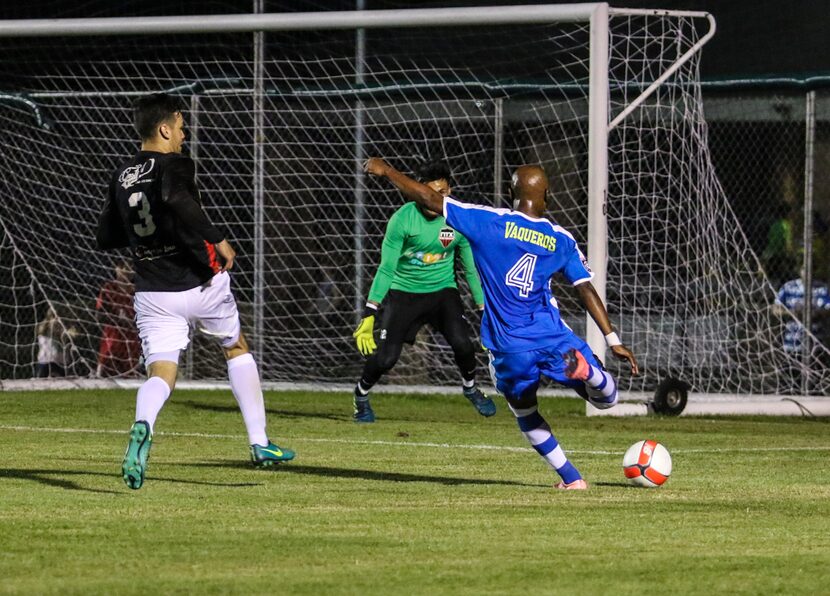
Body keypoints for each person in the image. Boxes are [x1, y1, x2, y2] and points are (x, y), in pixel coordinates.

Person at [363, 157, 639, 490]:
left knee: (526, 412)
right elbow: (585, 288)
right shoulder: (561, 238)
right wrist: (612, 340)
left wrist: (388, 170)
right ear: (547, 195)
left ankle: (572, 479)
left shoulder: (487, 222)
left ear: (511, 191)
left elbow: (430, 199)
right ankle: (590, 373)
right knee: (606, 400)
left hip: (509, 346)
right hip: (551, 335)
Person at [96, 93, 294, 490]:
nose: (185, 135)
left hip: (153, 292)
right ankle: (259, 443)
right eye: (182, 127)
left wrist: (144, 237)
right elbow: (175, 197)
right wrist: (218, 238)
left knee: (162, 373)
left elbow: (106, 235)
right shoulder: (176, 163)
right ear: (165, 128)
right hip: (201, 282)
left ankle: (143, 425)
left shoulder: (122, 174)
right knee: (236, 346)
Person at [351, 160, 495, 422]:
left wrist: (484, 310)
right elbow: (386, 268)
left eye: (442, 192)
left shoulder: (459, 220)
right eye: (430, 192)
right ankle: (361, 395)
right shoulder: (402, 220)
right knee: (386, 360)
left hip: (442, 292)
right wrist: (370, 311)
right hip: (403, 293)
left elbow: (471, 270)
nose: (435, 199)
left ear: (449, 191)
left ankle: (470, 389)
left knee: (463, 344)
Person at [95, 259, 140, 377]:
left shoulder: (139, 292)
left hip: (131, 345)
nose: (128, 271)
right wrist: (120, 320)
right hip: (112, 342)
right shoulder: (109, 288)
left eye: (131, 267)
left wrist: (132, 323)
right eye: (123, 267)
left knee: (129, 379)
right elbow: (100, 316)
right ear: (117, 269)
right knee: (104, 377)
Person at [35, 307, 77, 378]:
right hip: (46, 360)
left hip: (61, 361)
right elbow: (41, 330)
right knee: (41, 381)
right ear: (49, 318)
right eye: (54, 317)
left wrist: (66, 331)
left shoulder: (64, 329)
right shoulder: (44, 329)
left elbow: (74, 334)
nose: (56, 320)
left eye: (59, 318)